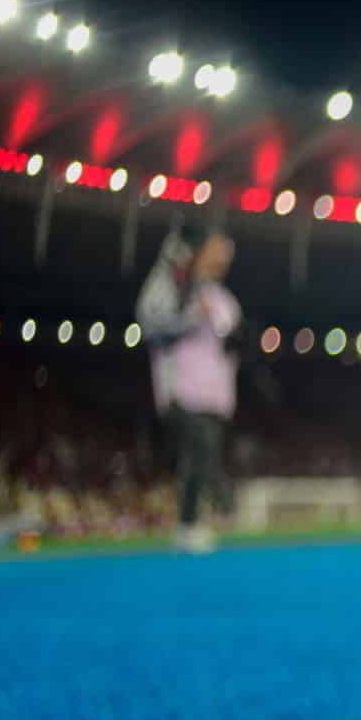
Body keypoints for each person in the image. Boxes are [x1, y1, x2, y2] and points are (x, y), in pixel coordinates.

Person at [134, 227, 241, 553]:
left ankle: (188, 524)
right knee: (201, 447)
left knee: (197, 456)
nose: (222, 258)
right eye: (216, 250)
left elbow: (233, 342)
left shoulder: (221, 298)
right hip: (179, 388)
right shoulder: (172, 285)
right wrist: (192, 317)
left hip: (214, 394)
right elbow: (152, 325)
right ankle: (220, 497)